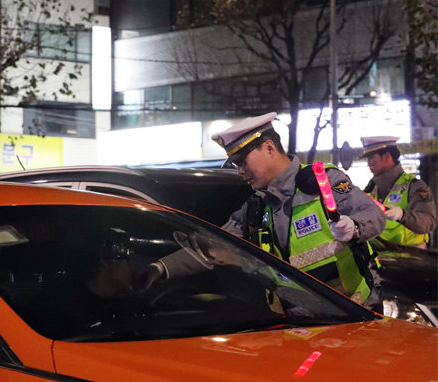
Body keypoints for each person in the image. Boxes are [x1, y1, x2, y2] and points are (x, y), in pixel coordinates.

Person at [144, 112, 386, 312]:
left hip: (354, 315)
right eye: (236, 165)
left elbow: (372, 214)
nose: (240, 171)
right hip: (300, 327)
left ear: (269, 148)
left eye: (242, 162)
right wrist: (161, 268)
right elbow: (213, 245)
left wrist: (354, 228)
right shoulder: (256, 208)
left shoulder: (321, 182)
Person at [361, 136, 436, 249]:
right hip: (380, 252)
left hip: (411, 255)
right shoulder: (371, 186)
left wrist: (402, 215)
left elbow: (428, 223)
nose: (368, 164)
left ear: (387, 157)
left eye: (371, 158)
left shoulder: (415, 186)